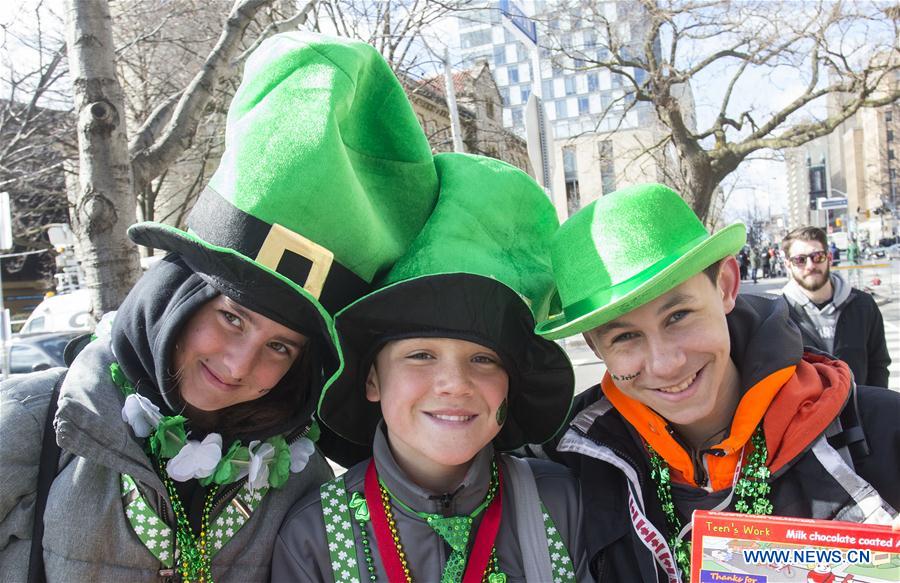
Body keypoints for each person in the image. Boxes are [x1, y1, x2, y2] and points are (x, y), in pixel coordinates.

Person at [0, 32, 440, 582]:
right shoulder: (34, 424)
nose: (237, 366)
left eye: (279, 346)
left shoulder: (299, 479)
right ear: (178, 295)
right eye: (232, 317)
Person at [533, 184, 899, 583]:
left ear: (725, 286)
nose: (666, 364)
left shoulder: (885, 434)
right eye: (624, 337)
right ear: (594, 346)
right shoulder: (569, 459)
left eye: (679, 316)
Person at [272, 153, 591, 582]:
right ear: (371, 378)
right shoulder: (314, 538)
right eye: (420, 355)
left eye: (483, 359)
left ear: (510, 386)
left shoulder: (564, 503)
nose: (454, 384)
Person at [780, 226, 891, 388]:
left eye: (817, 256)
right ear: (788, 265)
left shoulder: (864, 305)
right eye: (800, 260)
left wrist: (872, 408)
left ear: (829, 258)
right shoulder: (779, 315)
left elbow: (878, 364)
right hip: (808, 412)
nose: (810, 265)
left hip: (859, 409)